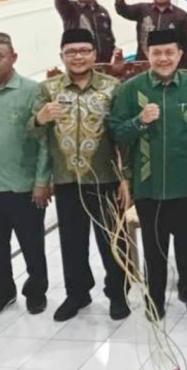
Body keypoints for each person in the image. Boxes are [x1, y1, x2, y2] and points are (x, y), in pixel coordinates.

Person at [109, 29, 187, 321]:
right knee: (154, 248)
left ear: (180, 54)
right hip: (148, 184)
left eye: (170, 52)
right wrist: (139, 121)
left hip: (186, 181)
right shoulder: (131, 89)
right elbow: (116, 132)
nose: (163, 58)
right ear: (147, 54)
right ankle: (154, 297)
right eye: (157, 53)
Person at [31, 29, 129, 322]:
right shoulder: (48, 89)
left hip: (105, 178)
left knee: (112, 241)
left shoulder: (113, 87)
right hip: (66, 180)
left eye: (84, 50)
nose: (78, 56)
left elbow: (123, 137)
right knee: (72, 242)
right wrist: (39, 118)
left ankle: (118, 293)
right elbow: (35, 136)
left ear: (94, 54)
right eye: (71, 51)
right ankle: (77, 294)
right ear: (61, 56)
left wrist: (126, 179)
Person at [0, 33, 49, 320]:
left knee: (32, 244)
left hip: (23, 185)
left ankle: (36, 291)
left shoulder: (33, 91)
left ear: (13, 57)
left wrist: (42, 181)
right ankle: (2, 292)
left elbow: (45, 139)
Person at [115, 0, 187, 69]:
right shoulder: (142, 9)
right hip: (144, 64)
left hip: (169, 64)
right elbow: (124, 11)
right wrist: (120, 0)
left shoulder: (180, 15)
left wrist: (183, 67)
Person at [55, 0, 116, 64]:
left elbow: (110, 39)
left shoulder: (103, 12)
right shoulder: (70, 9)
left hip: (104, 64)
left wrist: (115, 55)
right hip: (80, 63)